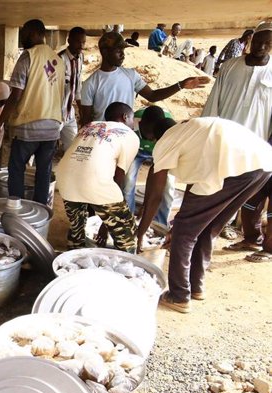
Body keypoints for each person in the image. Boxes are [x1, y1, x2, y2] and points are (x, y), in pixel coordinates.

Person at [137, 117, 272, 313]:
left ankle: (179, 295)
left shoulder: (165, 142)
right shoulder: (190, 131)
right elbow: (195, 186)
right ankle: (196, 286)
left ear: (151, 136)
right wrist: (182, 219)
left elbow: (155, 195)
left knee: (184, 233)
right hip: (263, 165)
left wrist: (141, 232)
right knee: (209, 227)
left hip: (235, 168)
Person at [203, 23, 272, 260]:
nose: (262, 47)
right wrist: (207, 131)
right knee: (219, 188)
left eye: (268, 43)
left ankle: (260, 242)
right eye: (258, 41)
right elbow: (214, 101)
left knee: (254, 195)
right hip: (224, 141)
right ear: (250, 40)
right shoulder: (230, 67)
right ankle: (241, 237)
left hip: (258, 146)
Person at [0, 19, 64, 205]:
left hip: (28, 125)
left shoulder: (28, 57)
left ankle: (17, 209)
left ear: (34, 33)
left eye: (24, 34)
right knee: (44, 171)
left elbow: (15, 96)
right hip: (52, 127)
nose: (22, 38)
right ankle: (40, 210)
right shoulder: (58, 60)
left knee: (16, 169)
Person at [57, 102, 140, 253]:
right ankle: (126, 270)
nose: (133, 125)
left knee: (77, 228)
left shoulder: (88, 126)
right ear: (125, 117)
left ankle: (72, 260)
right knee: (126, 232)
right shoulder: (130, 135)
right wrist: (108, 223)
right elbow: (119, 177)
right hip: (95, 181)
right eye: (132, 120)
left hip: (64, 178)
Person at [80, 32, 208, 126]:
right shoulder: (90, 84)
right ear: (105, 52)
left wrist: (181, 85)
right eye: (118, 50)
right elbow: (86, 121)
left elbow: (152, 96)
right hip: (103, 138)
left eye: (123, 50)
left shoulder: (130, 75)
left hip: (126, 136)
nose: (123, 55)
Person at [122, 106, 175, 226]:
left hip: (161, 153)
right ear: (140, 124)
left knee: (168, 186)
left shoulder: (168, 129)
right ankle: (127, 221)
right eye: (149, 134)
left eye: (155, 136)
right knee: (128, 181)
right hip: (136, 151)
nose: (152, 140)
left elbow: (155, 177)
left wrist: (146, 205)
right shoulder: (129, 124)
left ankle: (159, 223)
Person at [58, 27, 86, 152]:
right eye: (78, 42)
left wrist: (81, 108)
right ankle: (27, 168)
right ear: (69, 40)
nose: (81, 45)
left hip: (69, 113)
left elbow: (78, 85)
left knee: (72, 149)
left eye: (83, 42)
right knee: (43, 147)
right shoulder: (59, 60)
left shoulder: (80, 58)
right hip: (55, 113)